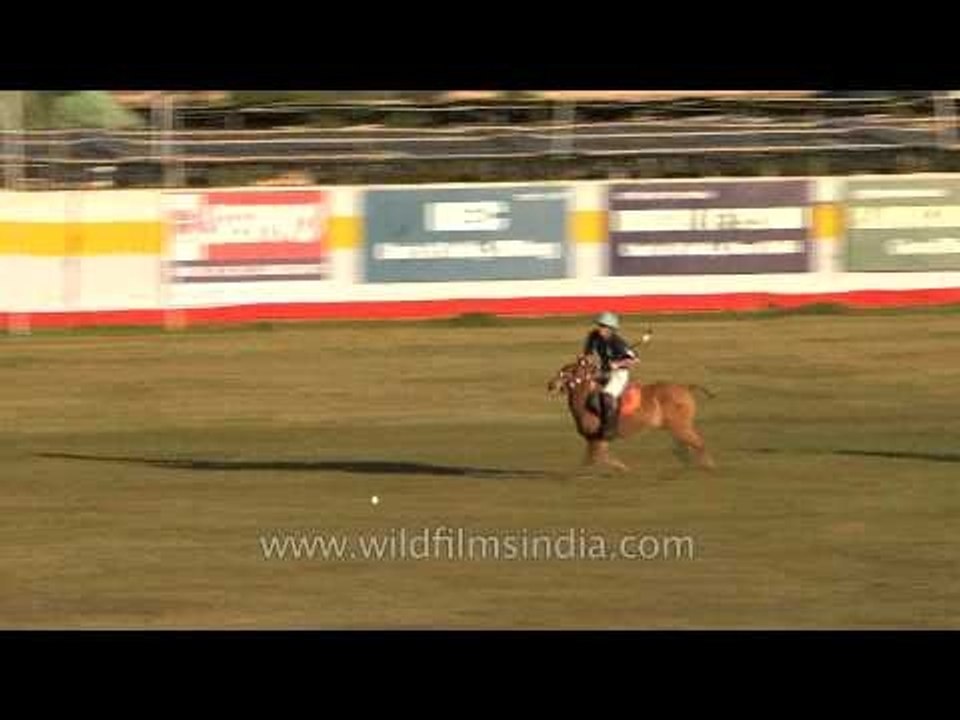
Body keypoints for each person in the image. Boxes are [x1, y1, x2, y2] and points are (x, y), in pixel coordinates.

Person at [582, 311, 639, 440]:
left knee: (607, 396)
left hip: (619, 373)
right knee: (584, 387)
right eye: (599, 325)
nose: (600, 328)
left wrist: (618, 364)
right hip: (603, 370)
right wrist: (587, 362)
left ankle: (609, 429)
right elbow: (588, 354)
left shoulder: (617, 342)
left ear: (611, 329)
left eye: (603, 326)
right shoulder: (593, 336)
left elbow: (634, 360)